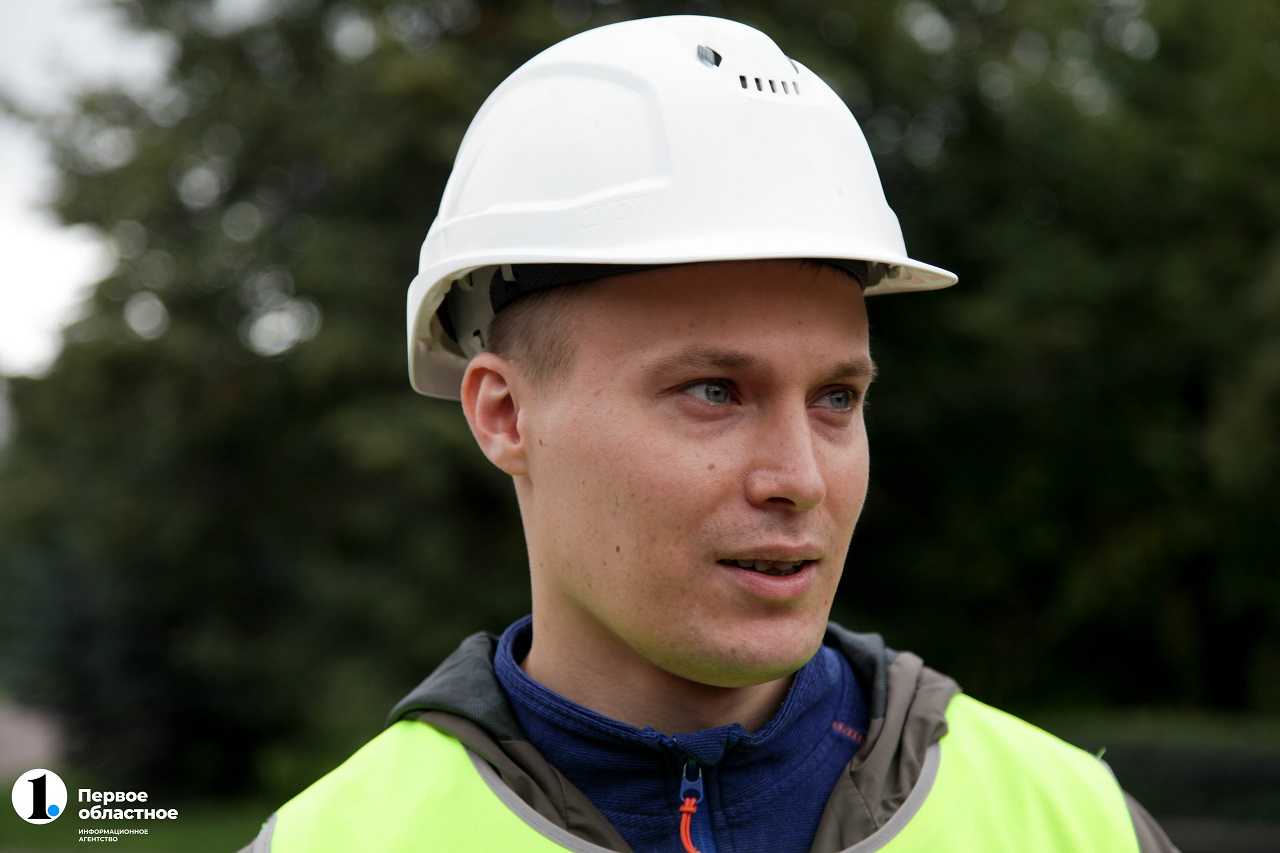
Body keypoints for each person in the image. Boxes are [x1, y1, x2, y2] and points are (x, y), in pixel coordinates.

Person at [244, 15, 1178, 852]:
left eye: (837, 398)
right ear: (505, 414)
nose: (799, 478)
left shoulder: (1077, 823)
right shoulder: (332, 842)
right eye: (714, 391)